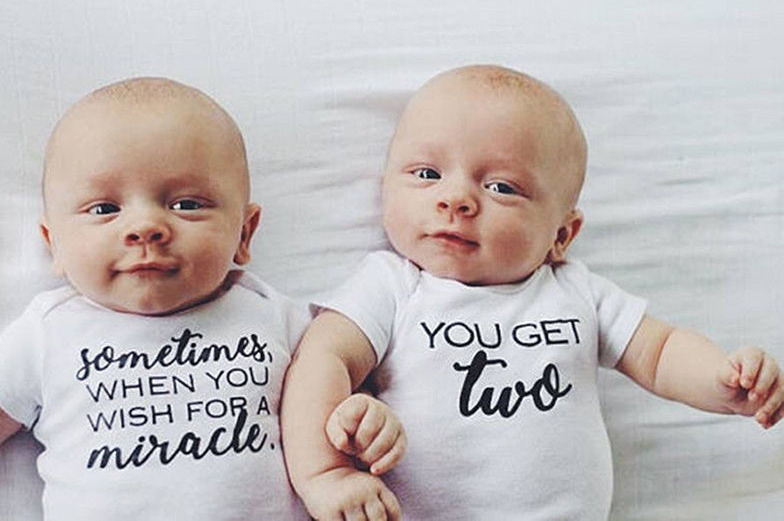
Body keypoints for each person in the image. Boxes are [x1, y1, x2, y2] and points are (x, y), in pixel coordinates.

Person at [281, 64, 784, 520]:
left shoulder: (575, 292)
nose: (456, 199)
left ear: (561, 235)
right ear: (386, 186)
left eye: (501, 187)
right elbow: (321, 359)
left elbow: (659, 351)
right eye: (428, 174)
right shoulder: (392, 284)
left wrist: (722, 382)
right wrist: (327, 475)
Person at [0, 77, 403, 520]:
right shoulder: (46, 333)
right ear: (55, 245)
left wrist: (364, 420)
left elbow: (342, 389)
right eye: (105, 209)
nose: (145, 226)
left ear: (244, 234)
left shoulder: (275, 316)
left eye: (185, 205)